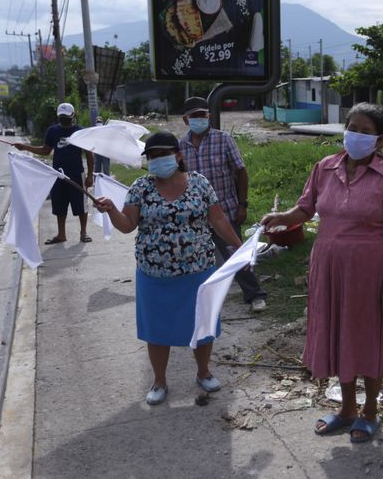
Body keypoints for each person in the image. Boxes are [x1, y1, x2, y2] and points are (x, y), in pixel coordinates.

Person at [261, 102, 383, 443]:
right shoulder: (324, 168)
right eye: (351, 128)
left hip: (369, 271)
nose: (355, 136)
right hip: (327, 267)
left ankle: (370, 411)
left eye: (365, 132)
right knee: (338, 333)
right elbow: (306, 208)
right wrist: (281, 217)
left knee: (367, 336)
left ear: (380, 140)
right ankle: (347, 409)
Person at [95, 131, 243, 405]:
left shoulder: (200, 184)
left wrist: (238, 247)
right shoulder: (140, 188)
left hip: (198, 271)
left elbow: (218, 219)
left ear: (178, 155)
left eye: (163, 154)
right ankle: (159, 381)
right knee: (157, 330)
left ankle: (203, 372)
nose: (157, 160)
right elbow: (128, 225)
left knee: (203, 326)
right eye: (152, 156)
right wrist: (112, 210)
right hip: (155, 274)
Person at [178, 96, 268, 312]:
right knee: (191, 259)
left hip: (225, 211)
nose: (200, 119)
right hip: (194, 216)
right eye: (195, 116)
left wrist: (242, 205)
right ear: (185, 119)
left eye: (203, 115)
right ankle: (196, 299)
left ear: (209, 116)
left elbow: (241, 171)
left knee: (235, 254)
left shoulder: (223, 140)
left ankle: (254, 295)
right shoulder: (180, 146)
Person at [14, 102, 94, 244]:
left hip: (77, 174)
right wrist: (25, 147)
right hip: (57, 174)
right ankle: (61, 235)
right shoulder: (52, 131)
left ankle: (83, 233)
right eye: (62, 117)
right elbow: (46, 150)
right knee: (59, 205)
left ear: (73, 116)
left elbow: (89, 154)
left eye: (66, 117)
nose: (64, 119)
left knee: (81, 205)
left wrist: (89, 176)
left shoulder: (80, 132)